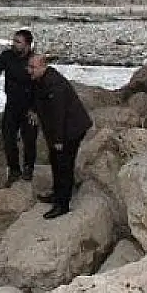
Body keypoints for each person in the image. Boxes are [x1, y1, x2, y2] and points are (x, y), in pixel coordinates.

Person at [26, 53, 93, 219]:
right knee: (55, 161)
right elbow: (37, 97)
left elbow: (58, 115)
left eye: (32, 67)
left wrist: (58, 140)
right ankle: (56, 194)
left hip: (71, 129)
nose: (29, 71)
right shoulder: (41, 80)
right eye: (29, 66)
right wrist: (34, 110)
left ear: (43, 67)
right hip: (59, 128)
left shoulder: (55, 84)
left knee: (64, 164)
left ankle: (62, 204)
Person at [0, 29, 38, 188]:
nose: (14, 44)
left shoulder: (35, 60)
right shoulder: (7, 56)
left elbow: (41, 86)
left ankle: (28, 168)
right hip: (12, 105)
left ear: (27, 45)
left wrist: (35, 109)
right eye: (14, 41)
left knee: (29, 140)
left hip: (30, 107)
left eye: (18, 42)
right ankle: (14, 170)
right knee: (8, 138)